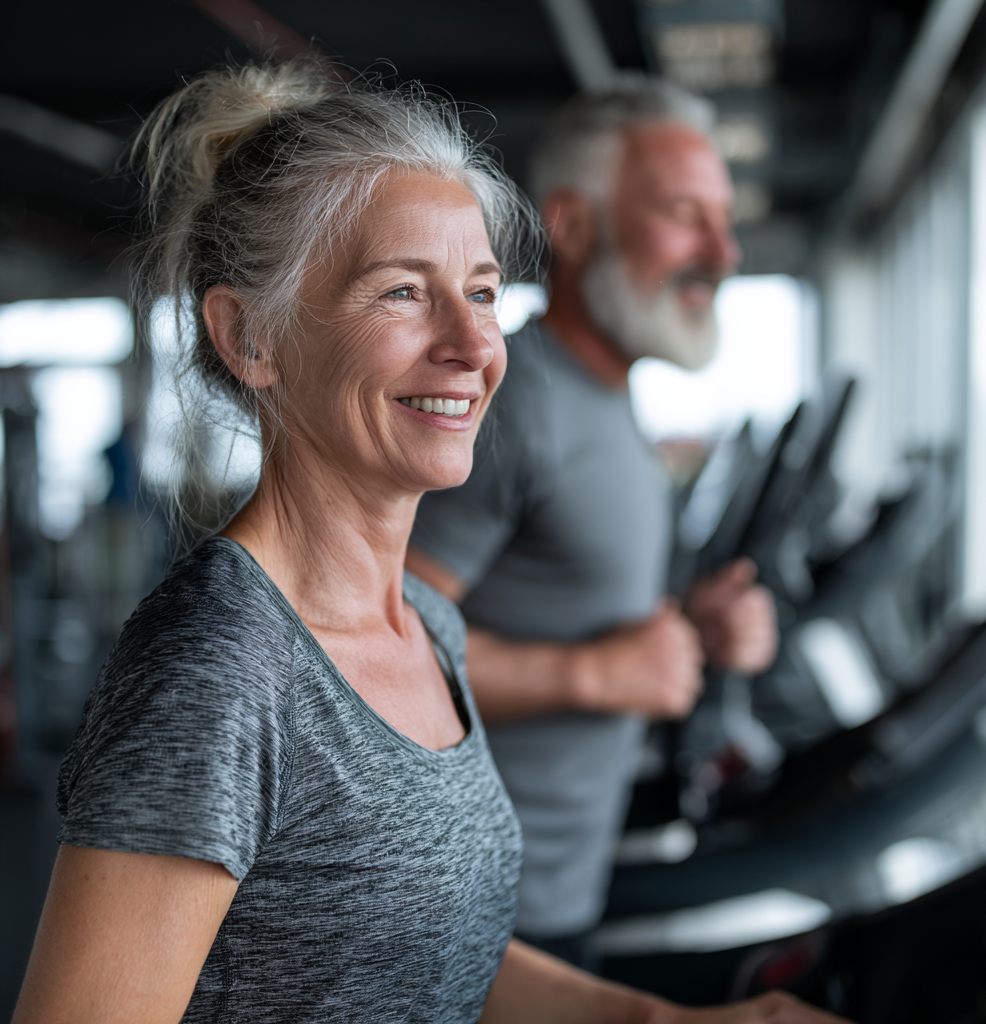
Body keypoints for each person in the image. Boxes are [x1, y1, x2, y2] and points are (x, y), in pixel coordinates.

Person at [11, 62, 841, 1024]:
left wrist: (669, 1022)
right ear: (250, 338)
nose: (474, 345)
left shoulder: (431, 632)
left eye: (483, 293)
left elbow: (434, 951)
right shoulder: (220, 672)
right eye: (403, 292)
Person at [407, 76, 779, 965]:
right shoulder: (516, 401)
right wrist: (599, 674)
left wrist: (695, 630)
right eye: (685, 215)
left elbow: (553, 603)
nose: (722, 252)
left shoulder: (606, 401)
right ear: (572, 227)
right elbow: (375, 654)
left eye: (723, 221)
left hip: (556, 894)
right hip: (472, 919)